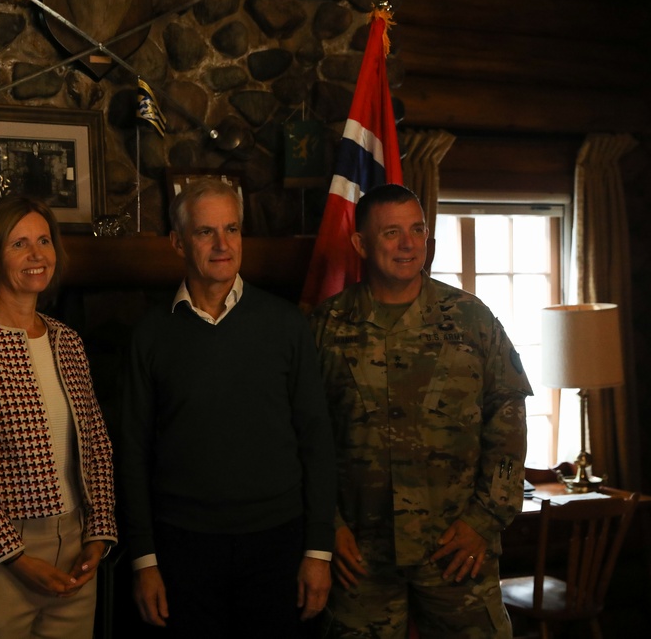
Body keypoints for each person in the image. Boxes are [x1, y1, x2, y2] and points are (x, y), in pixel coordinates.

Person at [119, 178, 336, 638]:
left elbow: (317, 439)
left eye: (232, 229)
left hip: (279, 542)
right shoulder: (151, 334)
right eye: (205, 232)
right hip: (182, 547)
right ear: (178, 242)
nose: (222, 244)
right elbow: (132, 452)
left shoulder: (286, 324)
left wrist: (318, 551)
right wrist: (144, 559)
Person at [311, 184, 531, 638]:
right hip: (360, 558)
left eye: (417, 230)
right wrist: (325, 527)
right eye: (392, 232)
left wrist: (485, 519)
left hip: (455, 550)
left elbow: (507, 425)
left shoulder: (472, 319)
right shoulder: (325, 326)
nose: (409, 244)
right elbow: (302, 436)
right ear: (360, 244)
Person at [0, 195, 117, 639]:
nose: (37, 255)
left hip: (72, 550)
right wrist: (13, 554)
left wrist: (99, 531)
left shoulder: (67, 341)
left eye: (44, 241)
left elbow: (97, 445)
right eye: (19, 244)